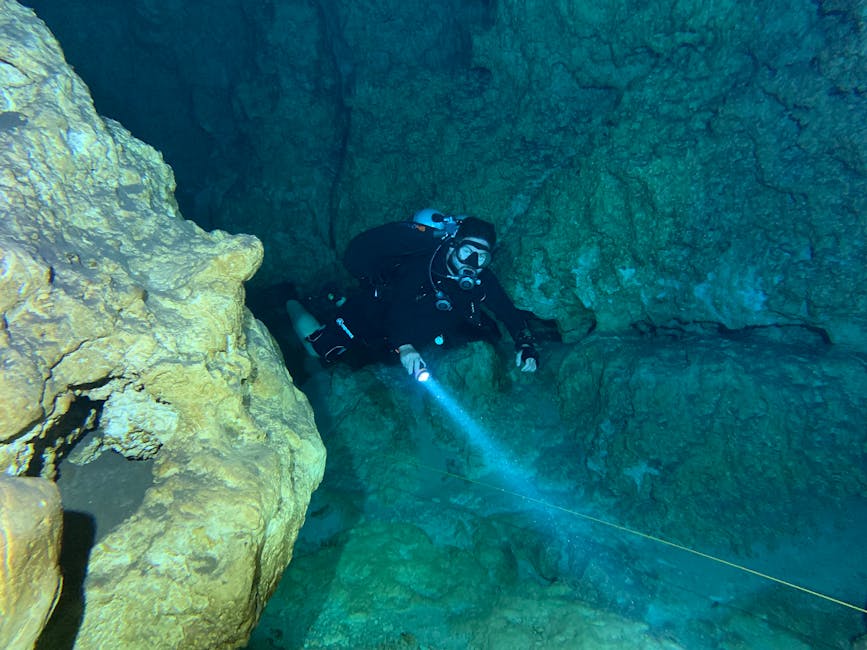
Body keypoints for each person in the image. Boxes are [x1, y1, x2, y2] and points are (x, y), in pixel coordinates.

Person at [286, 209, 538, 379]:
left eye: (482, 257)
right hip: (372, 317)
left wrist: (525, 343)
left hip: (400, 344)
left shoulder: (482, 280)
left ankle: (334, 299)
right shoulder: (424, 265)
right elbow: (400, 305)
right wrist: (405, 346)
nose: (472, 262)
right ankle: (288, 300)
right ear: (452, 246)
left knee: (365, 361)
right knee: (319, 351)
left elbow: (508, 312)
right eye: (466, 252)